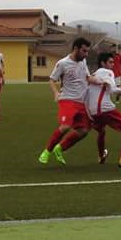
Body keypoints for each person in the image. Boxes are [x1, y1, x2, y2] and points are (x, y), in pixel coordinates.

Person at [38, 37, 101, 165]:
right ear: (76, 49)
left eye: (87, 51)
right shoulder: (63, 63)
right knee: (66, 126)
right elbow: (52, 79)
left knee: (83, 131)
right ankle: (46, 151)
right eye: (84, 51)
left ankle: (59, 148)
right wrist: (56, 93)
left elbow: (88, 78)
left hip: (81, 102)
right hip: (67, 99)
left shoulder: (83, 62)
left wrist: (103, 82)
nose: (86, 54)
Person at [85, 52, 121, 168]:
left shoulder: (93, 75)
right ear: (103, 63)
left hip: (93, 111)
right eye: (110, 62)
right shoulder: (107, 72)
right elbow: (113, 90)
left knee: (101, 131)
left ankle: (101, 155)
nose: (113, 64)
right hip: (106, 109)